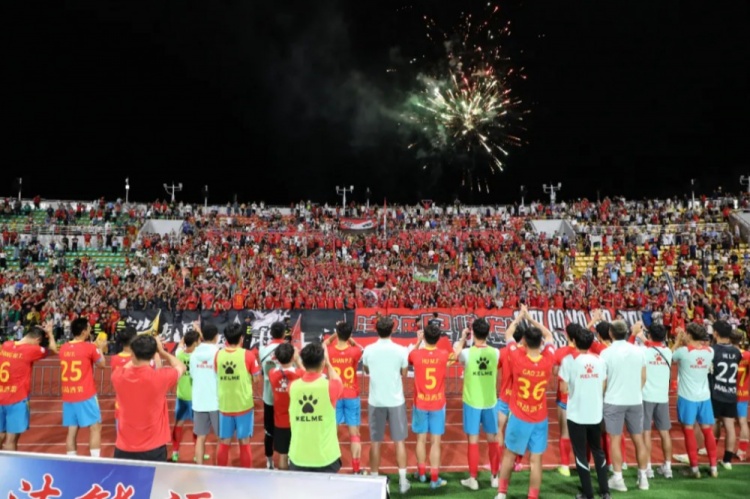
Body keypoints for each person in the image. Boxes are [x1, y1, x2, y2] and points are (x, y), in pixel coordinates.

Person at [495, 307, 556, 499]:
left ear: (524, 341)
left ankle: (502, 493)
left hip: (520, 416)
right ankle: (532, 496)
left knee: (509, 455)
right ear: (541, 343)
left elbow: (508, 334)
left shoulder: (517, 357)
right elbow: (549, 334)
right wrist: (531, 319)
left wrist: (520, 317)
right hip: (540, 418)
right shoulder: (548, 359)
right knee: (536, 461)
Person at [112, 335, 185, 462]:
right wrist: (162, 352)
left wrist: (138, 352)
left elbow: (128, 366)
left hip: (124, 447)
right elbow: (181, 367)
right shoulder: (160, 378)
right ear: (152, 355)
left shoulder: (117, 376)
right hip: (154, 448)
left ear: (132, 353)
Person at [559, 328, 610, 499]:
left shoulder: (569, 361)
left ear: (574, 341)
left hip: (577, 415)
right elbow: (603, 385)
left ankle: (588, 493)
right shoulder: (600, 360)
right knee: (598, 451)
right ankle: (605, 491)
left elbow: (563, 388)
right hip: (595, 413)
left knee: (580, 454)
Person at [600, 320, 650, 492]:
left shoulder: (606, 353)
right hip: (635, 400)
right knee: (638, 439)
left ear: (611, 333)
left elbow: (603, 381)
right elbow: (644, 377)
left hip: (613, 400)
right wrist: (635, 392)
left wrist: (602, 396)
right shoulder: (639, 351)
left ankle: (618, 478)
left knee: (614, 440)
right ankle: (643, 478)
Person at [362, 317, 410, 492]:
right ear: (392, 330)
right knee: (399, 442)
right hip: (396, 401)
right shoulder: (401, 350)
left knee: (375, 442)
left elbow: (366, 369)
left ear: (376, 330)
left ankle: (375, 480)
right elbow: (404, 373)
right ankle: (403, 482)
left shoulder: (368, 350)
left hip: (376, 401)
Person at [454, 318, 500, 491]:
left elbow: (456, 354)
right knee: (492, 440)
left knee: (473, 441)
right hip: (490, 402)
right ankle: (494, 477)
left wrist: (462, 338)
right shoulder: (496, 352)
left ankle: (473, 479)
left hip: (472, 402)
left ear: (473, 333)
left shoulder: (467, 353)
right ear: (488, 333)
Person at [0, 323, 57, 451]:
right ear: (37, 340)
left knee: (1, 434)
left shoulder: (6, 345)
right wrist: (50, 333)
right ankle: (10, 463)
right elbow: (54, 350)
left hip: (1, 396)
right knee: (11, 440)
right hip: (17, 399)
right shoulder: (31, 350)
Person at [288, 342, 343, 472]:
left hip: (298, 457)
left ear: (304, 363)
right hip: (326, 458)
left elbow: (306, 375)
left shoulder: (292, 387)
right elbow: (338, 381)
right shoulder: (332, 387)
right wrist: (328, 364)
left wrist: (298, 362)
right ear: (322, 363)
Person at [672, 323, 718, 478]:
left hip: (687, 398)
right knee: (707, 431)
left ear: (690, 335)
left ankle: (694, 468)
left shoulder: (683, 352)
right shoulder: (710, 351)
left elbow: (668, 357)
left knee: (689, 432)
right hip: (704, 397)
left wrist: (678, 341)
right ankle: (713, 467)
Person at [408, 324, 452, 488]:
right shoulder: (443, 354)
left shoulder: (416, 354)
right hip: (437, 404)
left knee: (421, 439)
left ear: (424, 337)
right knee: (435, 442)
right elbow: (455, 356)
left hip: (420, 403)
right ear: (438, 338)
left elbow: (410, 357)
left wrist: (418, 341)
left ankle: (421, 474)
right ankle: (434, 479)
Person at [215, 323, 261, 468]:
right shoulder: (248, 355)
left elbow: (217, 373)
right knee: (244, 442)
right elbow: (256, 378)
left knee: (224, 442)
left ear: (226, 339)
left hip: (225, 405)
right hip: (243, 405)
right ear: (241, 338)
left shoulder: (218, 355)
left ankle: (220, 473)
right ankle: (246, 475)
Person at [59, 318, 106, 457]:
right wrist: (100, 349)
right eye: (89, 328)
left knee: (72, 431)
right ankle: (95, 462)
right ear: (84, 331)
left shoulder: (64, 347)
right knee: (95, 427)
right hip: (86, 394)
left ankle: (71, 461)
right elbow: (102, 365)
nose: (90, 330)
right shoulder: (89, 347)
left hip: (68, 395)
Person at [324, 321, 364, 474]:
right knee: (355, 434)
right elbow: (360, 348)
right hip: (351, 395)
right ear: (349, 335)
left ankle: (330, 465)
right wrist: (349, 338)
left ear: (337, 334)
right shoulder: (355, 351)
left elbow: (323, 344)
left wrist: (335, 334)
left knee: (332, 433)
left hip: (334, 395)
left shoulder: (329, 350)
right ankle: (356, 469)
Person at [634, 323, 673, 479]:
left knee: (646, 432)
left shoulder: (643, 351)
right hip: (662, 397)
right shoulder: (668, 352)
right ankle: (668, 467)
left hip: (646, 396)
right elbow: (655, 345)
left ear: (650, 335)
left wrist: (639, 336)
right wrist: (645, 338)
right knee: (665, 433)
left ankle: (648, 467)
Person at [709, 320, 742, 469]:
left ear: (716, 333)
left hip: (716, 392)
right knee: (730, 426)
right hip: (731, 392)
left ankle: (712, 455)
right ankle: (727, 460)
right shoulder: (736, 352)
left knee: (713, 423)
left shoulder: (713, 350)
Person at [269, 342, 305, 470]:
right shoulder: (299, 374)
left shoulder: (272, 373)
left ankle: (283, 479)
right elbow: (308, 375)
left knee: (282, 456)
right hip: (297, 421)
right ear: (292, 357)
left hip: (280, 422)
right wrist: (298, 360)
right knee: (299, 455)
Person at [189, 322, 221, 465]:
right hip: (216, 401)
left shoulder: (194, 354)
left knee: (200, 438)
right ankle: (219, 468)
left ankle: (199, 468)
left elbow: (193, 375)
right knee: (221, 438)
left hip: (199, 401)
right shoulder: (218, 353)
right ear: (216, 337)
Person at [497, 321, 525, 475]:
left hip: (504, 397)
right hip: (519, 399)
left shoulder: (503, 352)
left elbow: (496, 370)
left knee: (499, 430)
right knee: (518, 431)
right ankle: (518, 462)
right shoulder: (525, 353)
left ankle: (498, 462)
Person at [552, 323, 580, 477]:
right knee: (582, 433)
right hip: (582, 397)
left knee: (565, 432)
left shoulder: (560, 352)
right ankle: (581, 464)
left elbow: (555, 372)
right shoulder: (586, 352)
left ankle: (564, 466)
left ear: (566, 335)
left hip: (564, 397)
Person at [259, 321, 287, 469]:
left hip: (269, 396)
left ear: (271, 333)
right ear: (284, 333)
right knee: (287, 428)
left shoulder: (263, 350)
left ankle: (269, 462)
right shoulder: (290, 349)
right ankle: (287, 458)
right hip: (285, 396)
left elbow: (263, 371)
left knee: (269, 431)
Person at [171, 330, 200, 462]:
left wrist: (186, 337)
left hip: (181, 396)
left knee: (178, 425)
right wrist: (197, 329)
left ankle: (175, 452)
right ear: (194, 343)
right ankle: (197, 453)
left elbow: (180, 344)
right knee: (197, 426)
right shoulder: (197, 356)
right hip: (195, 398)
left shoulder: (178, 354)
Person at [734, 331, 750, 461]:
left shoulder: (727, 354)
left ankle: (709, 449)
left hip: (727, 393)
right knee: (742, 422)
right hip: (743, 392)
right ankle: (742, 451)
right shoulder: (747, 355)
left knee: (720, 421)